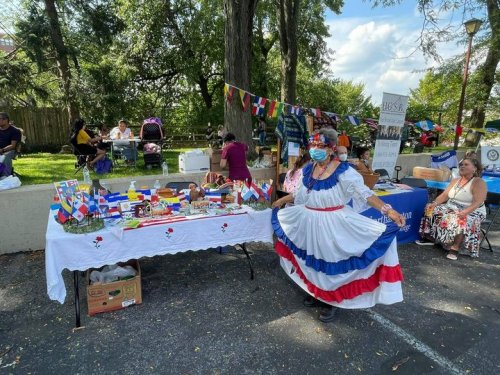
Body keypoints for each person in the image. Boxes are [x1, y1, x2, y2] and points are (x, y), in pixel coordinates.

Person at [271, 128, 406, 323]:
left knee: (329, 262)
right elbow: (301, 194)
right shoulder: (308, 169)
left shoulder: (344, 171)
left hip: (332, 223)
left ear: (331, 148)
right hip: (309, 221)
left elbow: (364, 194)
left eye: (321, 145)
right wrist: (282, 201)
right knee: (313, 259)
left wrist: (388, 210)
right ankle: (316, 292)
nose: (316, 149)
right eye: (313, 145)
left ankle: (330, 300)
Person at [416, 157, 487, 260]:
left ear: (474, 169)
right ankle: (430, 237)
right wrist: (434, 203)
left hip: (473, 210)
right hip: (453, 206)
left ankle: (455, 248)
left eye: (466, 164)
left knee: (461, 218)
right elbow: (445, 195)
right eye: (461, 165)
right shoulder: (456, 180)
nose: (462, 166)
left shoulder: (478, 182)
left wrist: (465, 212)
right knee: (431, 208)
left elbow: (478, 202)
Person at [0, 112, 21, 178]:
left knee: (5, 156)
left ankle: (5, 176)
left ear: (5, 120)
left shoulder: (15, 131)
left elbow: (13, 146)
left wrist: (2, 150)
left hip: (11, 150)